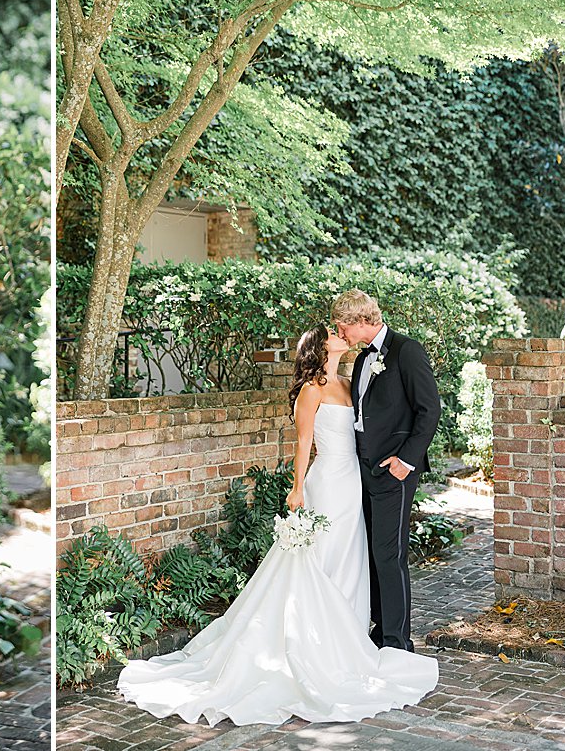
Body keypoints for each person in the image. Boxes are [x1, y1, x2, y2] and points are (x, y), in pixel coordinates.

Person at [117, 326, 438, 727]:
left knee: (351, 556)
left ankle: (348, 638)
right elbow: (303, 444)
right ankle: (315, 646)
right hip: (327, 484)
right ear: (320, 347)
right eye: (333, 333)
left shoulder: (349, 379)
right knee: (321, 558)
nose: (341, 334)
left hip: (354, 482)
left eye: (342, 329)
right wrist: (297, 489)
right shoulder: (312, 388)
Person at [333, 289, 442, 652]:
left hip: (393, 469)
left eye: (341, 325)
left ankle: (397, 642)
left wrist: (405, 461)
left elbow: (430, 410)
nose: (340, 333)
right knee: (370, 551)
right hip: (359, 467)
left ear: (360, 321)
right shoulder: (363, 359)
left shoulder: (406, 351)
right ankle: (378, 633)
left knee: (389, 553)